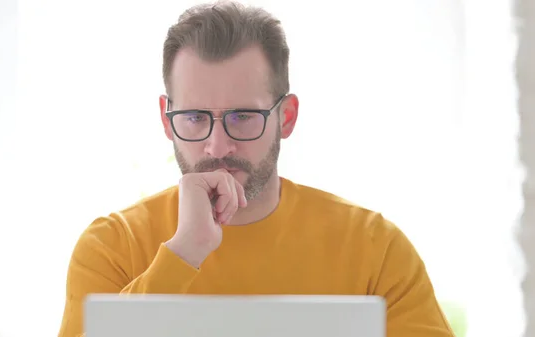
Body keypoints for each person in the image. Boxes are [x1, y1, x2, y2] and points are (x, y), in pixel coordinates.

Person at [58, 1, 456, 336]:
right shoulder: (111, 248)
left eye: (243, 116)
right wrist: (184, 253)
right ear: (166, 120)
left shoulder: (376, 250)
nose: (218, 146)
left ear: (286, 117)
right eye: (195, 117)